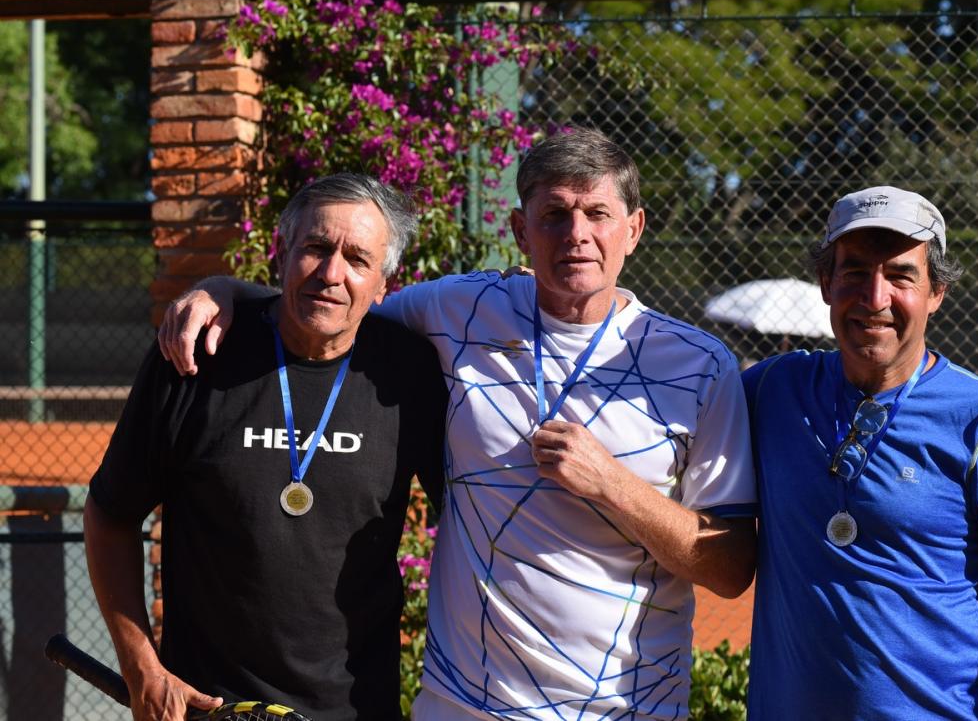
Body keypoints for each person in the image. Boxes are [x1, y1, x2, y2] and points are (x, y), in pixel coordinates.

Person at [161, 127, 757, 719]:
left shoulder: (700, 365)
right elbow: (337, 303)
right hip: (463, 704)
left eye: (597, 213)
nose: (576, 234)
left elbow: (730, 568)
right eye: (554, 214)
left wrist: (612, 483)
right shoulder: (456, 309)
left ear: (634, 228)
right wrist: (224, 290)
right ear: (520, 230)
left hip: (629, 708)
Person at [84, 173, 447, 721]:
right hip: (207, 707)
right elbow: (110, 516)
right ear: (283, 252)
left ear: (383, 284)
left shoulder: (410, 374)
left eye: (357, 259)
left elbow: (474, 520)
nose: (331, 273)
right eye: (316, 248)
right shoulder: (197, 354)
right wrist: (142, 668)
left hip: (355, 709)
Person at [743, 185, 978, 719]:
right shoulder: (772, 390)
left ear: (936, 292)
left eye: (901, 275)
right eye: (855, 272)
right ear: (826, 283)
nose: (875, 296)